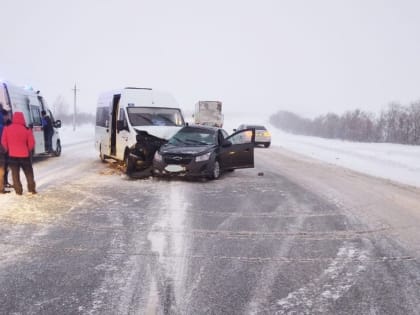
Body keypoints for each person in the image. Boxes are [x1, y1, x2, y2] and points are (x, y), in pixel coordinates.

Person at [1, 112, 37, 195]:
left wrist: (8, 149)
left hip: (12, 155)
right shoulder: (27, 129)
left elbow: (3, 141)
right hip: (25, 155)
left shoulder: (7, 129)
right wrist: (27, 149)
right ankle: (32, 189)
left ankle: (18, 191)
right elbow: (32, 143)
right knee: (29, 173)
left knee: (15, 174)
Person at [0, 107, 10, 193]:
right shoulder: (3, 126)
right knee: (2, 168)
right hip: (1, 149)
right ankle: (1, 188)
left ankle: (5, 183)